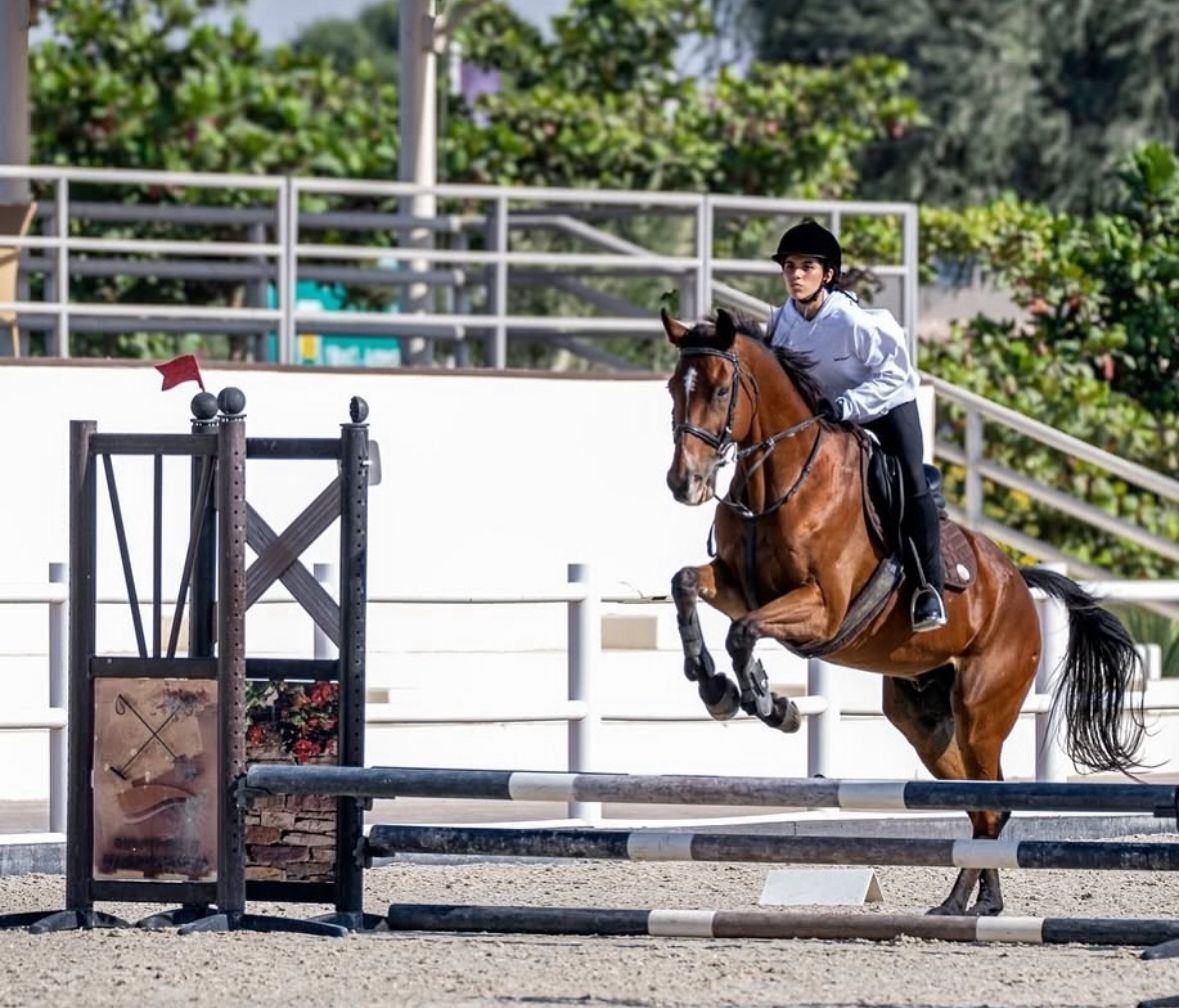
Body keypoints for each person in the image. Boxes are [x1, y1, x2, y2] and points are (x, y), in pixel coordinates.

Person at [764, 218, 946, 632]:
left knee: (911, 481)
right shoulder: (781, 323)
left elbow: (895, 376)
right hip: (831, 413)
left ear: (827, 275)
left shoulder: (853, 323)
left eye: (806, 266)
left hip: (886, 404)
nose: (795, 275)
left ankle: (928, 589)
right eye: (790, 266)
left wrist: (847, 405)